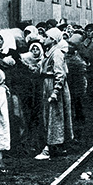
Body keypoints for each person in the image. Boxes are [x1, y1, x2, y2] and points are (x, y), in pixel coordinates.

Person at [35, 27, 73, 160]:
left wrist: (55, 92)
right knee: (50, 116)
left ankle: (50, 148)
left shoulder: (56, 53)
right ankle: (56, 146)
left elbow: (60, 74)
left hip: (52, 85)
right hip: (47, 84)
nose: (43, 39)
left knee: (54, 117)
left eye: (46, 37)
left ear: (52, 40)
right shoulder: (49, 52)